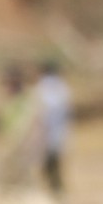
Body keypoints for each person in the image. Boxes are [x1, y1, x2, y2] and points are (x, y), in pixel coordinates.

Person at [34, 61, 70, 196]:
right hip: (59, 135)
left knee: (47, 167)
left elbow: (40, 113)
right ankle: (58, 192)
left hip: (46, 136)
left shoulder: (42, 87)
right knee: (55, 167)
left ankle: (53, 193)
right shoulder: (62, 87)